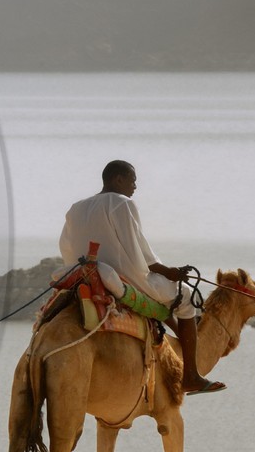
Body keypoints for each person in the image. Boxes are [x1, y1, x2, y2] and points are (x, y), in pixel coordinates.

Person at [59, 160, 224, 395]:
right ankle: (191, 376)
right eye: (132, 180)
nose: (135, 186)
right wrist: (170, 272)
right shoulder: (122, 203)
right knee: (185, 297)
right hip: (122, 276)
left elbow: (66, 247)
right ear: (118, 179)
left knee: (166, 299)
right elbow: (136, 249)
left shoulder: (75, 208)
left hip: (82, 274)